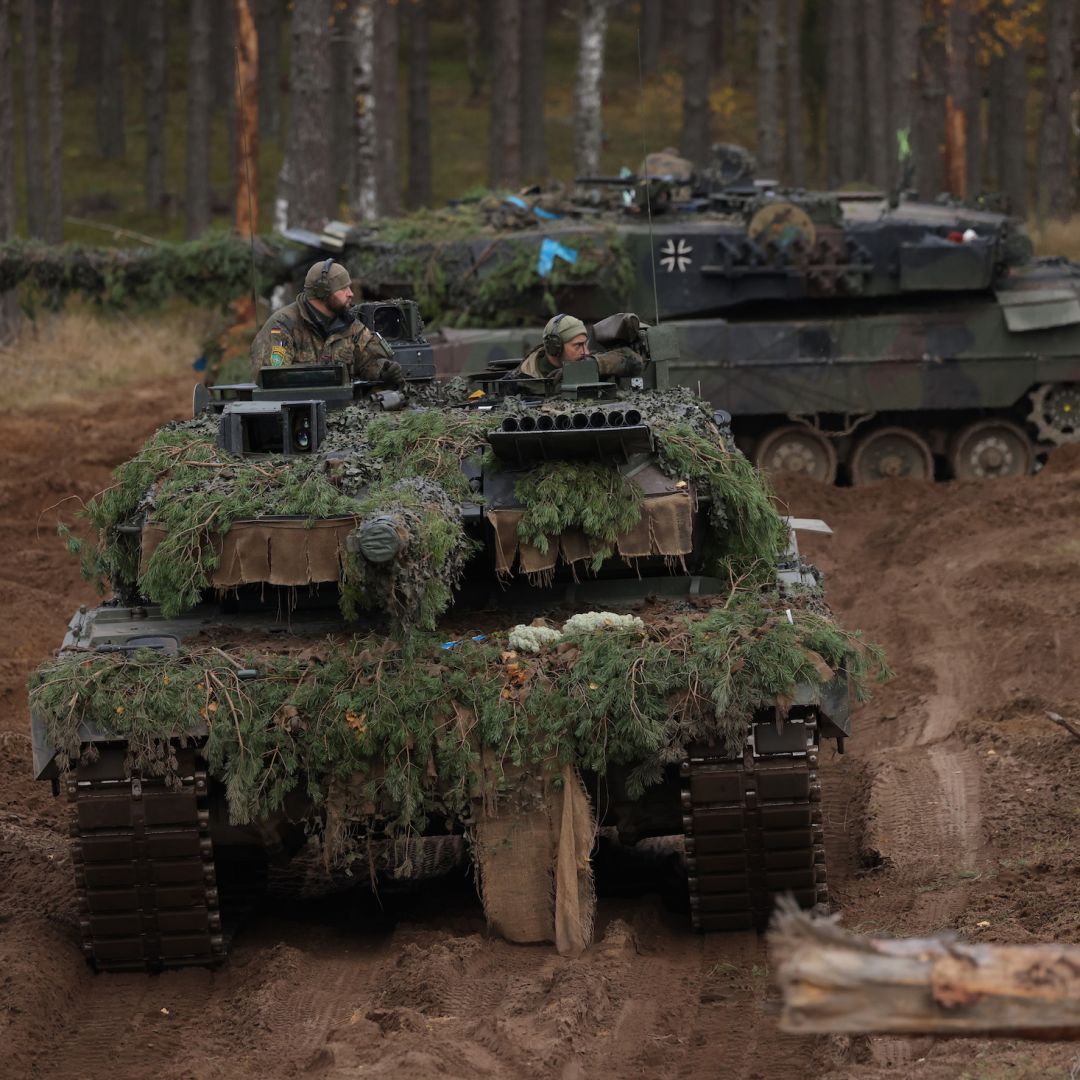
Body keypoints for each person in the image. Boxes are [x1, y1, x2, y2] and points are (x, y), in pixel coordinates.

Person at [250, 259, 403, 385]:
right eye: (343, 288)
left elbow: (368, 361)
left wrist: (383, 369)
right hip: (298, 413)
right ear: (323, 293)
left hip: (343, 410)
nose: (351, 294)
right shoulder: (282, 327)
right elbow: (271, 379)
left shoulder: (349, 324)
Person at [513, 313, 645, 382]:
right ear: (555, 348)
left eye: (584, 343)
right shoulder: (523, 380)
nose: (585, 351)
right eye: (578, 345)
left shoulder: (588, 361)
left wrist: (593, 365)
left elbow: (635, 361)